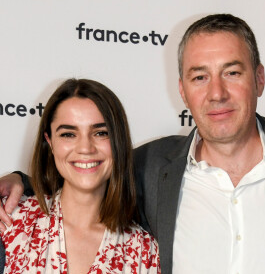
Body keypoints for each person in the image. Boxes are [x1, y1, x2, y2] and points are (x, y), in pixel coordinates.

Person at [1, 14, 265, 273]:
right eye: (200, 77)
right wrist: (17, 183)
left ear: (260, 78)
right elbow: (88, 171)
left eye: (232, 73)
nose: (217, 93)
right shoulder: (152, 166)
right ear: (182, 91)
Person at [0, 79, 160, 273]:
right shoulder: (11, 222)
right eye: (68, 134)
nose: (85, 148)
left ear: (119, 142)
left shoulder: (144, 251)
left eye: (101, 133)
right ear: (49, 142)